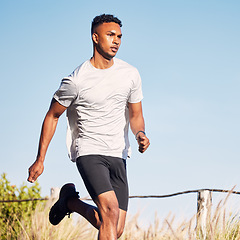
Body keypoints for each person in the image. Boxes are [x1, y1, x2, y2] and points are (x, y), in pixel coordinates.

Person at [27, 14, 150, 239]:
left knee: (115, 226)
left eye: (119, 36)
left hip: (118, 153)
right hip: (89, 151)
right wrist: (40, 158)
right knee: (110, 212)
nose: (116, 41)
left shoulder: (130, 74)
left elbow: (136, 115)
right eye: (110, 35)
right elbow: (52, 116)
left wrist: (140, 133)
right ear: (95, 37)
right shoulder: (77, 81)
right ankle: (71, 201)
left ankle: (70, 202)